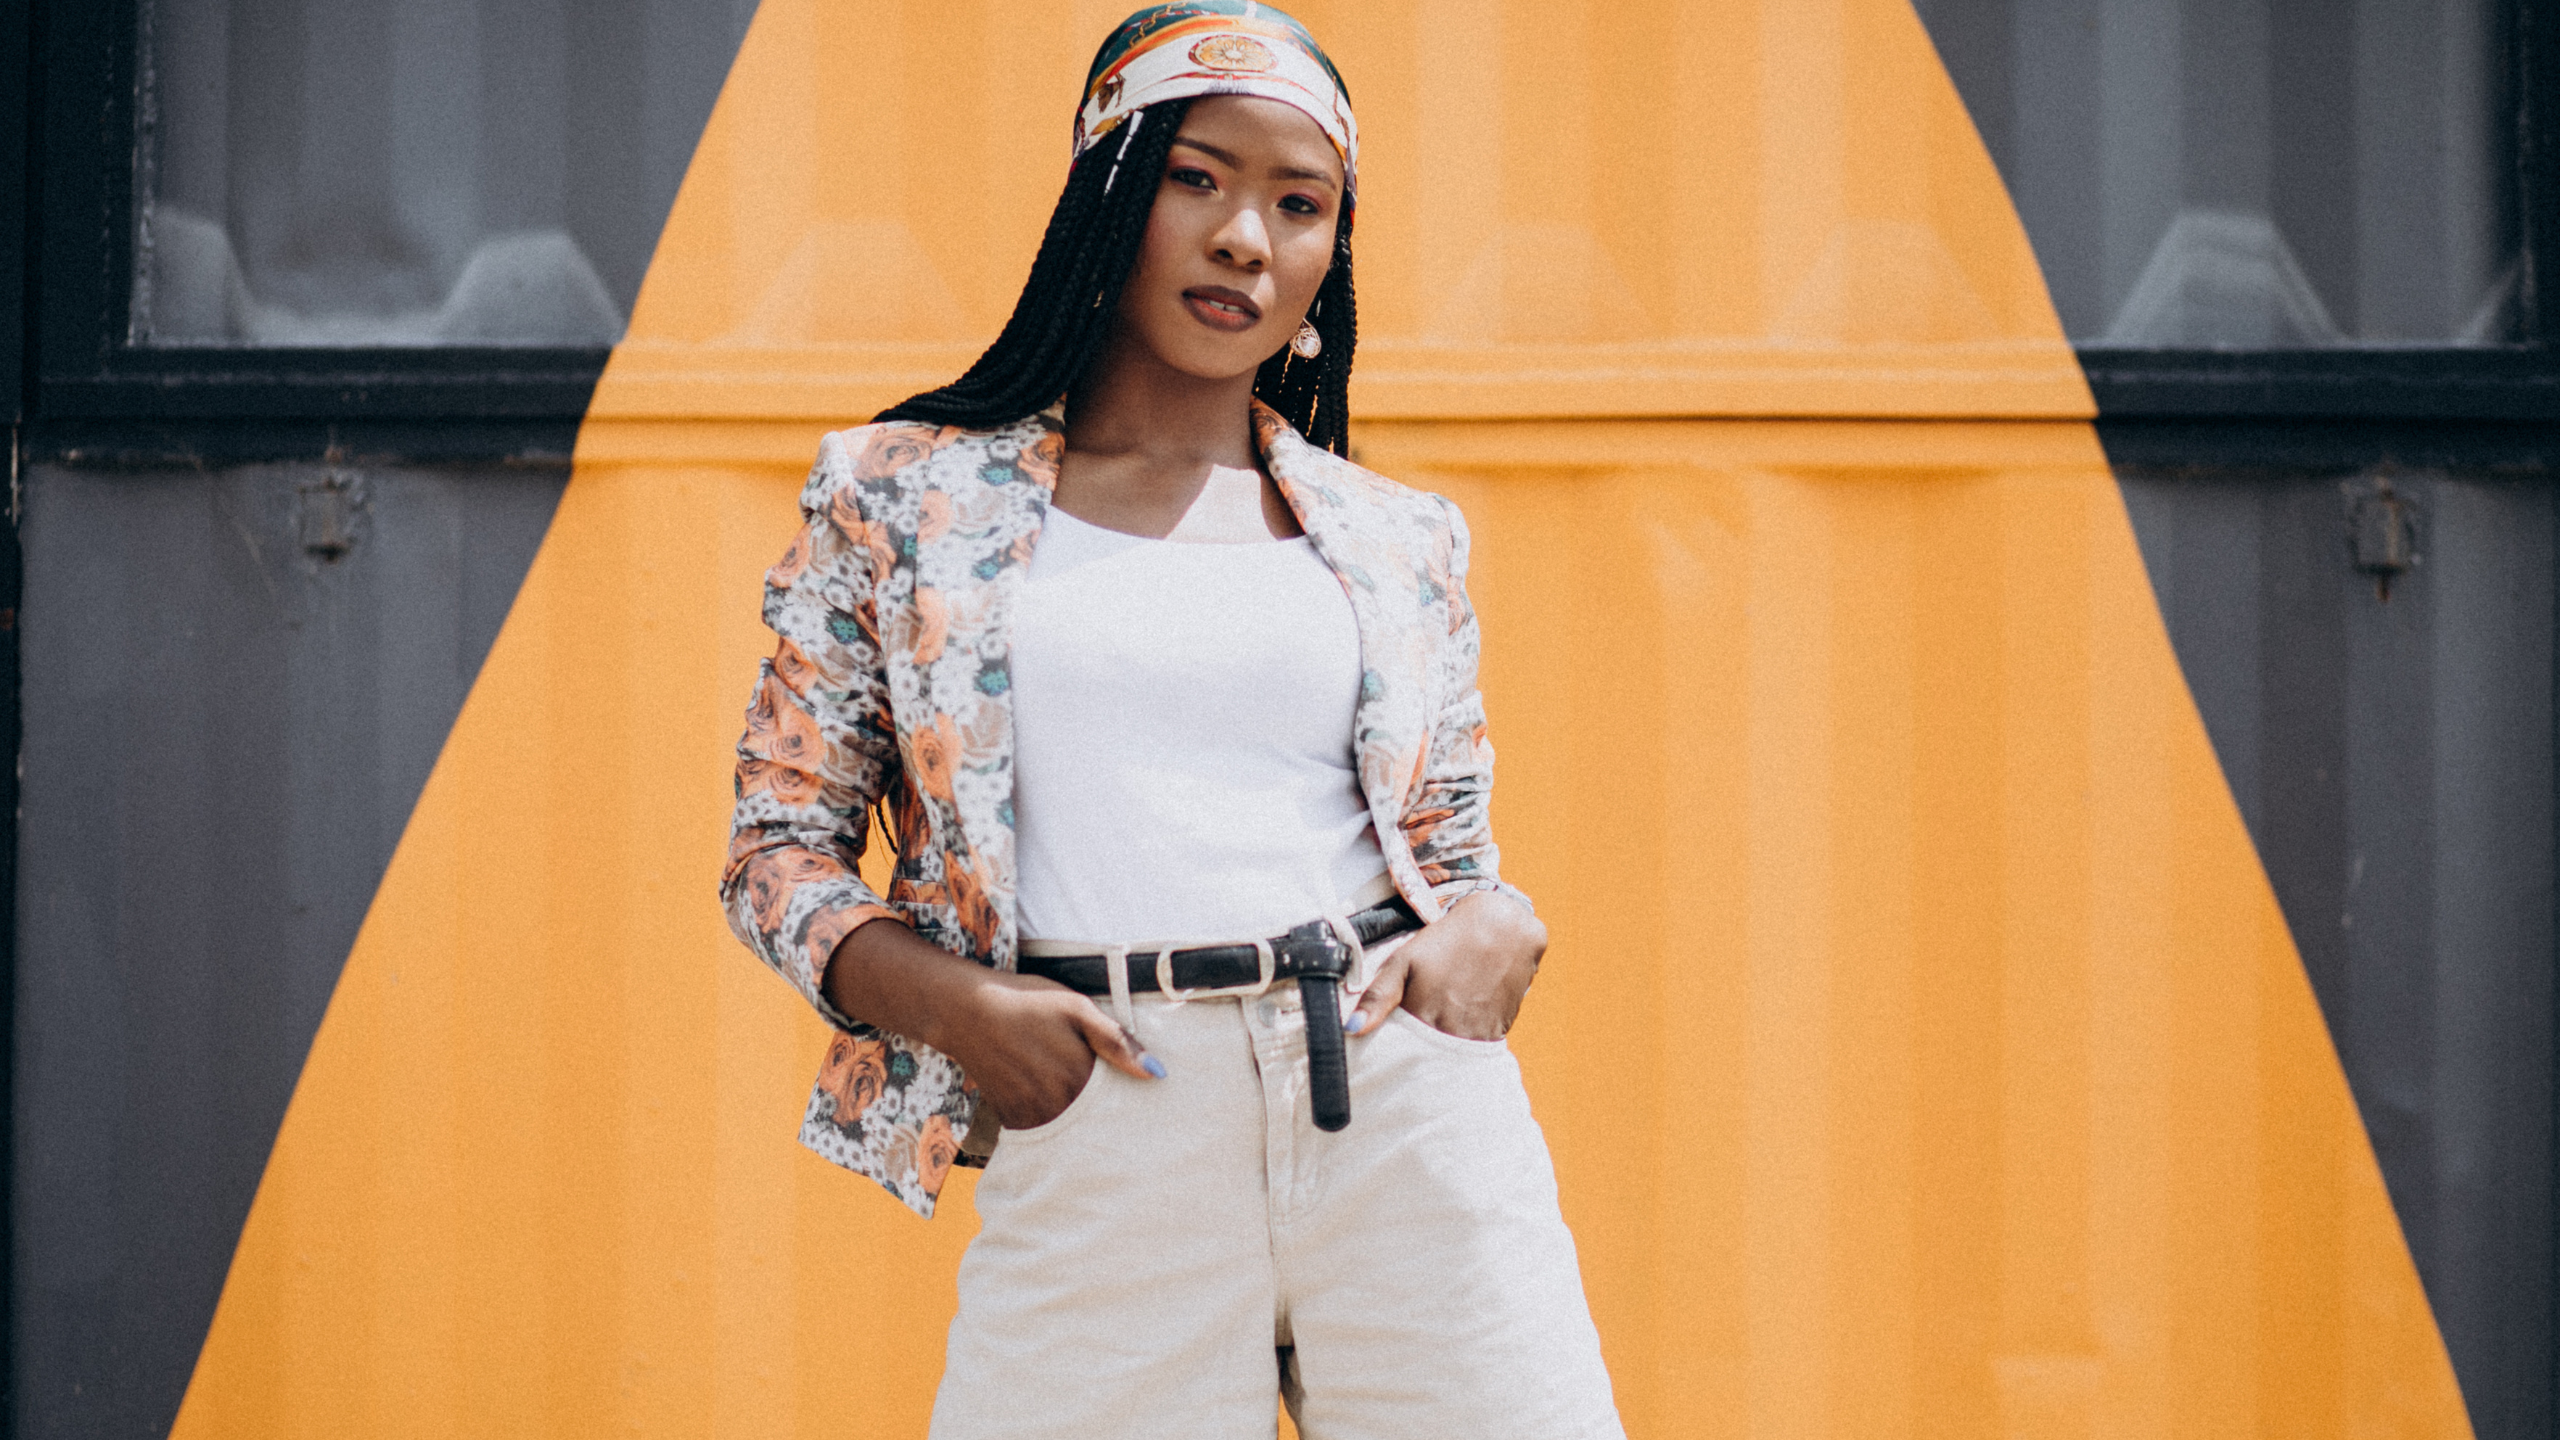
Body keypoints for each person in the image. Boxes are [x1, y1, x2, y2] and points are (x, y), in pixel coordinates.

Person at [722, 5, 1623, 1436]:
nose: (1246, 238)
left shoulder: (1398, 538)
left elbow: (1446, 847)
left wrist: (1495, 927)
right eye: (1197, 179)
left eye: (1299, 204)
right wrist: (965, 1013)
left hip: (1401, 1115)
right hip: (1108, 1110)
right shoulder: (902, 499)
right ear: (1109, 194)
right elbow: (775, 848)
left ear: (1329, 253)